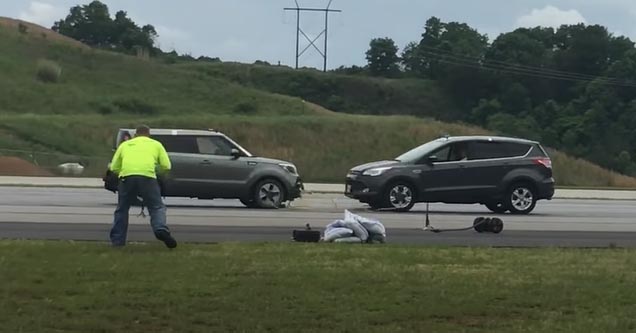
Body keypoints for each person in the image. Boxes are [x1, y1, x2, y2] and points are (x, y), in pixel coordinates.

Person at [108, 125, 177, 249]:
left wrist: (122, 173)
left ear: (135, 135)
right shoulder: (156, 144)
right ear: (148, 135)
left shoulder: (125, 145)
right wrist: (156, 172)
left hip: (126, 177)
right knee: (156, 207)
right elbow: (167, 166)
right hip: (148, 177)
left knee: (122, 209)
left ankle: (117, 241)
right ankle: (160, 229)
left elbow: (113, 167)